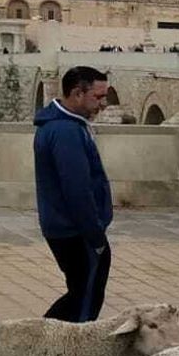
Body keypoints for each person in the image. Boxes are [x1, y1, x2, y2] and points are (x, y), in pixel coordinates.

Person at [33, 65, 113, 322]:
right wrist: (95, 235)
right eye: (98, 97)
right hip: (75, 230)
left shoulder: (63, 126)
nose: (103, 104)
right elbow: (77, 189)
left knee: (80, 292)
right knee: (84, 300)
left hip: (67, 227)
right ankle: (46, 338)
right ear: (78, 94)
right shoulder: (66, 132)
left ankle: (41, 336)